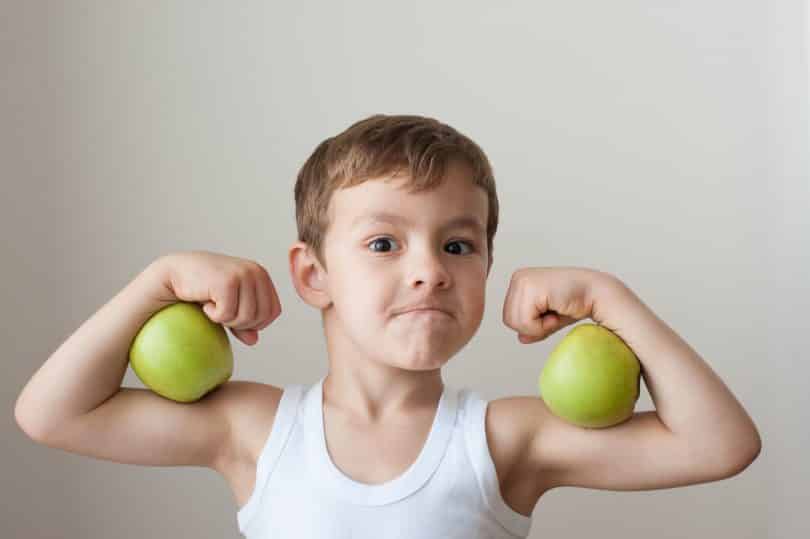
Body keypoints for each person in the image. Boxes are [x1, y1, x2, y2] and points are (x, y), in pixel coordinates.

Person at [14, 114, 762, 538]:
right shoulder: (256, 429)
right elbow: (51, 413)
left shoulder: (504, 441)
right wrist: (159, 280)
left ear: (486, 270)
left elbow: (721, 444)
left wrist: (609, 297)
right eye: (383, 243)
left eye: (458, 244)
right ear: (313, 274)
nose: (429, 269)